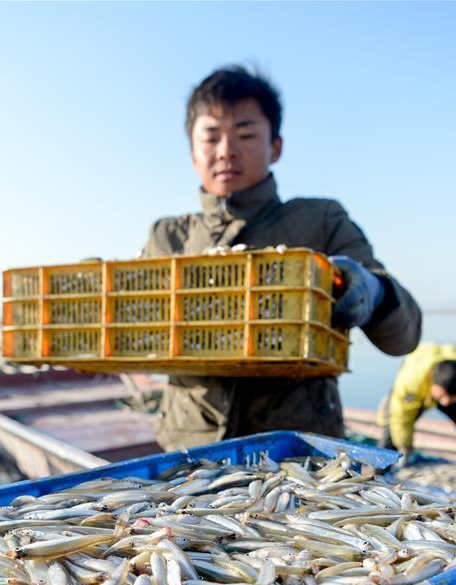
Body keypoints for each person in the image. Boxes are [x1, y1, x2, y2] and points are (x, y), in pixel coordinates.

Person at [141, 65, 422, 452]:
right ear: (193, 154)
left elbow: (403, 338)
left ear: (276, 147)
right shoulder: (167, 237)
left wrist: (375, 292)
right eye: (210, 137)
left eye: (245, 134)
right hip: (189, 449)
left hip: (300, 449)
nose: (226, 150)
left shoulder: (319, 222)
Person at [378, 343, 456, 462]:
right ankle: (380, 468)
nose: (445, 402)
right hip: (417, 383)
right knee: (392, 427)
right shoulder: (410, 382)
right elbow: (401, 418)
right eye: (443, 396)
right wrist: (404, 446)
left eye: (452, 397)